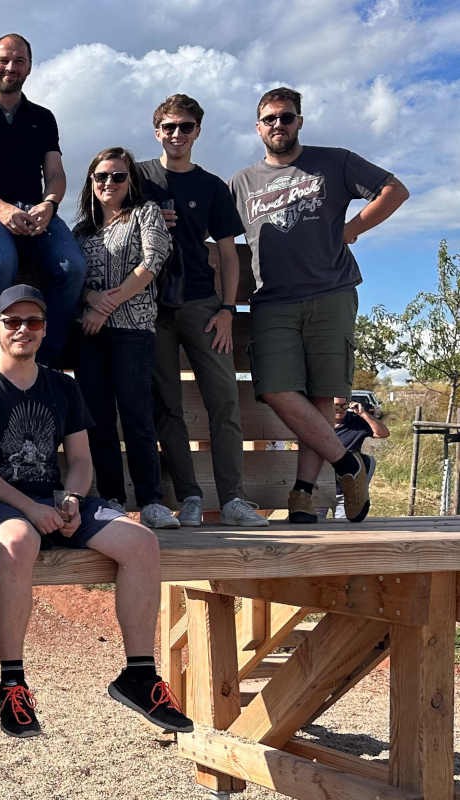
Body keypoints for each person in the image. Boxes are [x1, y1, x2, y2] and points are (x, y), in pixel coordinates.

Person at [0, 284, 193, 739]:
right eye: (12, 322)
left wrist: (72, 498)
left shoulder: (62, 386)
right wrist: (29, 509)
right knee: (20, 540)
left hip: (52, 500)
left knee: (141, 542)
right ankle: (12, 683)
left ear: (44, 330)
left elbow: (79, 460)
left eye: (33, 322)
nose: (23, 330)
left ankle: (138, 674)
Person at [230, 87, 408, 523]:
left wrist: (352, 229)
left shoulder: (334, 161)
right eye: (269, 119)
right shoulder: (242, 183)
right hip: (271, 299)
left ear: (299, 121)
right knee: (274, 387)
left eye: (286, 117)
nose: (278, 125)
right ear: (258, 127)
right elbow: (219, 237)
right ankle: (350, 464)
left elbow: (394, 190)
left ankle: (304, 495)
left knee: (323, 395)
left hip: (332, 291)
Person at [137, 94, 268, 528]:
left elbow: (230, 254)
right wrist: (145, 218)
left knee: (224, 403)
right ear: (157, 131)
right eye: (169, 127)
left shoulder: (211, 186)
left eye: (186, 127)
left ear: (197, 132)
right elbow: (104, 219)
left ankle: (234, 499)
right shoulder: (138, 178)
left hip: (202, 306)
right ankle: (189, 498)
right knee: (167, 407)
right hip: (149, 306)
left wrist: (229, 308)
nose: (177, 135)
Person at [0, 33, 85, 364]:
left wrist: (49, 204)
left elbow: (55, 174)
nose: (11, 67)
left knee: (73, 267)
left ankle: (45, 361)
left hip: (33, 209)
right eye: (4, 60)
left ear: (29, 68)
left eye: (19, 61)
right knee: (3, 261)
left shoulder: (42, 117)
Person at [70, 147, 179, 529]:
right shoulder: (81, 231)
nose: (108, 183)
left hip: (132, 330)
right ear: (91, 182)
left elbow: (151, 262)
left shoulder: (144, 213)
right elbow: (73, 280)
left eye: (117, 176)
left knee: (137, 415)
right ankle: (112, 497)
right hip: (89, 335)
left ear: (130, 180)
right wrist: (90, 301)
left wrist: (105, 306)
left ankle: (150, 499)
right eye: (101, 176)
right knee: (97, 418)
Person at [331, 395, 389, 519]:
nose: (340, 410)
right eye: (336, 406)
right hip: (321, 485)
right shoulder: (318, 423)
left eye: (343, 406)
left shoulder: (355, 421)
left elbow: (382, 433)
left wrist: (363, 414)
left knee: (345, 527)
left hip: (346, 488)